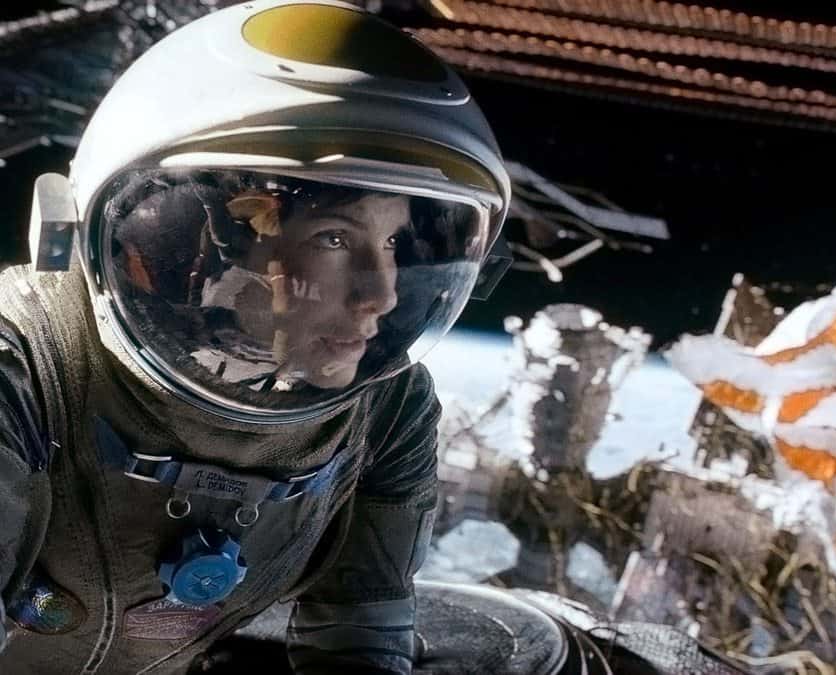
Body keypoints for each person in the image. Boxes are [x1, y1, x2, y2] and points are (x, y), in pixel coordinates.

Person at [0, 1, 510, 673]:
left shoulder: (386, 412)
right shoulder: (26, 373)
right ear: (206, 241)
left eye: (393, 242)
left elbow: (362, 637)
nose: (382, 296)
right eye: (335, 238)